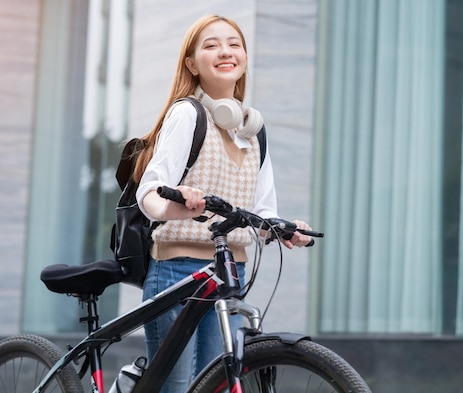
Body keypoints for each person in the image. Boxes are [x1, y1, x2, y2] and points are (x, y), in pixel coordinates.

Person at [134, 14, 313, 392]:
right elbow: (149, 192)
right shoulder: (187, 114)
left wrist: (283, 228)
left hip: (230, 274)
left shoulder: (252, 129)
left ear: (245, 56)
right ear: (192, 63)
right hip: (176, 272)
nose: (225, 51)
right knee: (176, 386)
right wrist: (177, 203)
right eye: (211, 45)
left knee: (218, 383)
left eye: (234, 43)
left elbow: (261, 210)